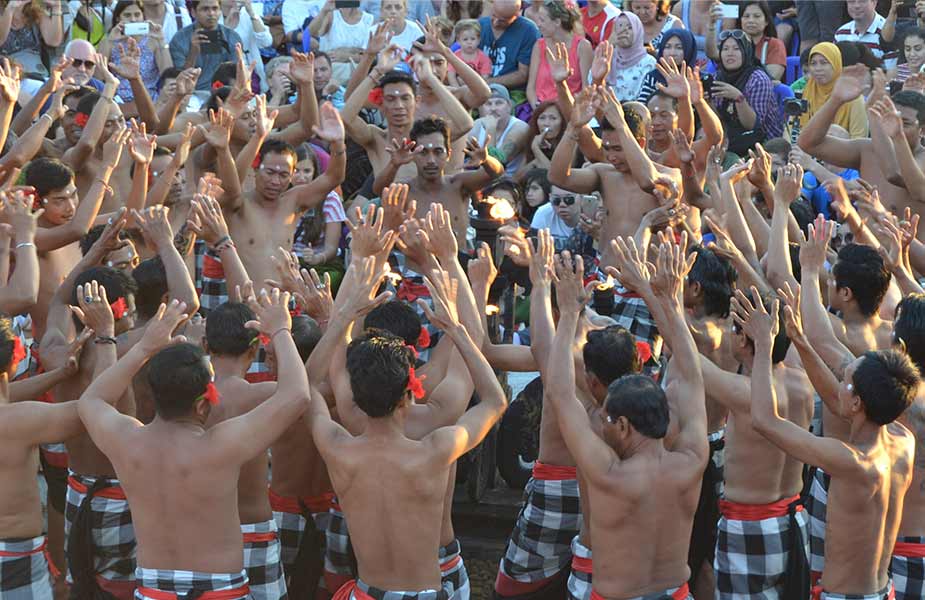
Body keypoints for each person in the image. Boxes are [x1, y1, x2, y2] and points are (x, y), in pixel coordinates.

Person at [74, 281, 311, 599]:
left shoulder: (127, 440)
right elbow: (297, 394)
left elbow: (91, 400)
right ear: (202, 403)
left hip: (153, 590)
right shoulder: (222, 444)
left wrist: (145, 348)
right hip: (221, 591)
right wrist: (281, 330)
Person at [305, 257, 507, 600]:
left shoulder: (337, 444)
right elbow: (494, 401)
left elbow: (305, 386)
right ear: (410, 389)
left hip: (367, 591)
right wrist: (457, 328)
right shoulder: (438, 445)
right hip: (431, 585)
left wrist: (336, 320)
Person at [547, 235, 707, 600]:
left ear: (622, 425)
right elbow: (692, 374)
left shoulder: (607, 473)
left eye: (606, 419)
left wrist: (570, 313)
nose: (601, 422)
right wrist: (668, 300)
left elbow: (559, 392)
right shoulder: (692, 460)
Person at [735, 283, 917, 600]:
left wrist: (764, 345)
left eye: (845, 379)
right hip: (882, 592)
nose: (838, 382)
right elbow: (837, 398)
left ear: (858, 403)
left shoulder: (851, 461)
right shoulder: (904, 441)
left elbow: (765, 421)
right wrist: (800, 341)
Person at [205, 100, 345, 292]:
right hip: (245, 307)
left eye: (283, 175)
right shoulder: (239, 204)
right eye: (269, 173)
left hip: (283, 306)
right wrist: (251, 140)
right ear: (256, 169)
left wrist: (338, 143)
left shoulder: (294, 201)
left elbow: (333, 177)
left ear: (292, 174)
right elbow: (232, 185)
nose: (275, 181)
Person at [203, 301, 288, 600]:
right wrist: (281, 331)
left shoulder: (188, 398)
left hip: (207, 533)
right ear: (256, 348)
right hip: (255, 531)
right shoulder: (260, 396)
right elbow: (304, 390)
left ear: (205, 345)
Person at [549, 86, 681, 271]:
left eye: (618, 149)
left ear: (640, 143)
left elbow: (649, 182)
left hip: (648, 285)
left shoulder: (670, 175)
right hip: (605, 277)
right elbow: (557, 176)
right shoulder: (604, 174)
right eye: (607, 148)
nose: (611, 157)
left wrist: (621, 125)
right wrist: (574, 127)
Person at [371, 117, 503, 246]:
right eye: (423, 152)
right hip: (416, 267)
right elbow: (379, 190)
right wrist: (394, 165)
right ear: (413, 155)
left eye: (438, 152)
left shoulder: (459, 185)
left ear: (449, 155)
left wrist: (486, 160)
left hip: (458, 264)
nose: (431, 160)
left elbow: (495, 173)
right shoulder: (405, 191)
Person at [712, 30, 782, 156]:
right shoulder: (718, 77)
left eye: (736, 49)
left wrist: (738, 98)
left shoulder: (758, 79)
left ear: (746, 52)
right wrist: (705, 101)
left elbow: (752, 126)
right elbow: (718, 120)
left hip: (762, 144)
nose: (730, 53)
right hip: (731, 141)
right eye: (725, 49)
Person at [99, 1, 172, 103]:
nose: (133, 19)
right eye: (127, 15)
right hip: (117, 101)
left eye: (137, 15)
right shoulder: (109, 41)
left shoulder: (153, 41)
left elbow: (167, 73)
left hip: (149, 100)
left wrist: (161, 40)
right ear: (118, 18)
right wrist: (109, 41)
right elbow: (98, 77)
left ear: (143, 16)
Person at [169, 0, 244, 92]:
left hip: (224, 92)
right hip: (192, 93)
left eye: (215, 9)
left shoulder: (232, 37)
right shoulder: (179, 39)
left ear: (220, 11)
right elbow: (181, 79)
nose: (211, 13)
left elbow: (235, 75)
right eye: (205, 9)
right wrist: (193, 52)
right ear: (193, 12)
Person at [527, 0, 591, 108]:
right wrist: (536, 107)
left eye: (542, 20)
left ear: (557, 22)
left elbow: (587, 88)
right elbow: (531, 88)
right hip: (541, 108)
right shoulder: (539, 45)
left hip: (570, 108)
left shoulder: (583, 46)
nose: (538, 25)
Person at [800, 43, 869, 140]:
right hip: (805, 150)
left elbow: (859, 140)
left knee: (835, 131)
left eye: (824, 63)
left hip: (842, 152)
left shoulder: (853, 98)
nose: (818, 68)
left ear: (836, 64)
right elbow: (791, 130)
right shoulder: (806, 92)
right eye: (813, 63)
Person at [469, 84, 531, 176]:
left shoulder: (520, 128)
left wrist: (490, 129)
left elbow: (496, 165)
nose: (493, 109)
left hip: (506, 183)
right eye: (488, 104)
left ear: (509, 106)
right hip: (480, 179)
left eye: (499, 103)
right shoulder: (477, 125)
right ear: (481, 109)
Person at [309, 0, 375, 85]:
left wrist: (347, 56)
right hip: (329, 73)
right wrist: (324, 11)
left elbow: (371, 57)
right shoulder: (331, 15)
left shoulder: (369, 19)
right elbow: (311, 33)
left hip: (356, 74)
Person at [479, 0, 539, 92]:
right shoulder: (480, 25)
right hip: (478, 87)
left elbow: (522, 75)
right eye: (494, 15)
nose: (495, 22)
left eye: (502, 21)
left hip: (510, 91)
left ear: (517, 15)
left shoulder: (528, 31)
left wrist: (484, 83)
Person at [219, 0, 273, 91]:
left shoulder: (246, 14)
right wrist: (227, 26)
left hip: (252, 73)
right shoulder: (213, 17)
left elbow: (266, 42)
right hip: (226, 75)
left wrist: (252, 14)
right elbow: (215, 53)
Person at [0, 0, 64, 76]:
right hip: (8, 75)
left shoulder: (36, 12)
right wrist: (10, 9)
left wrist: (56, 7)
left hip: (36, 73)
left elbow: (53, 41)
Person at [637, 28, 697, 105]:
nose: (672, 53)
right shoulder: (653, 77)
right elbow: (642, 108)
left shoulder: (698, 80)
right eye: (667, 47)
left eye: (679, 48)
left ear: (689, 50)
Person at [607, 11, 656, 102]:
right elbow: (592, 81)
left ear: (638, 31)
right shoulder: (608, 57)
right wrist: (608, 46)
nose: (623, 31)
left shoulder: (649, 62)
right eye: (620, 26)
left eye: (629, 27)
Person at [835, 0, 896, 70]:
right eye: (851, 1)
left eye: (862, 1)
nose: (856, 6)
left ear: (874, 2)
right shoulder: (841, 33)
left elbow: (891, 73)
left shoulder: (888, 33)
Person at [737, 1, 786, 82]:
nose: (751, 20)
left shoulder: (775, 44)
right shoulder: (734, 43)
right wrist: (711, 28)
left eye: (757, 16)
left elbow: (772, 79)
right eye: (746, 16)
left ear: (766, 21)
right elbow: (714, 55)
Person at [451, 19, 492, 84]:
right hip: (458, 89)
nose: (469, 42)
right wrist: (457, 90)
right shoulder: (454, 57)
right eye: (465, 39)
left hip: (477, 88)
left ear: (478, 40)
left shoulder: (484, 58)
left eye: (473, 39)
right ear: (458, 41)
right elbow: (451, 76)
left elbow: (485, 78)